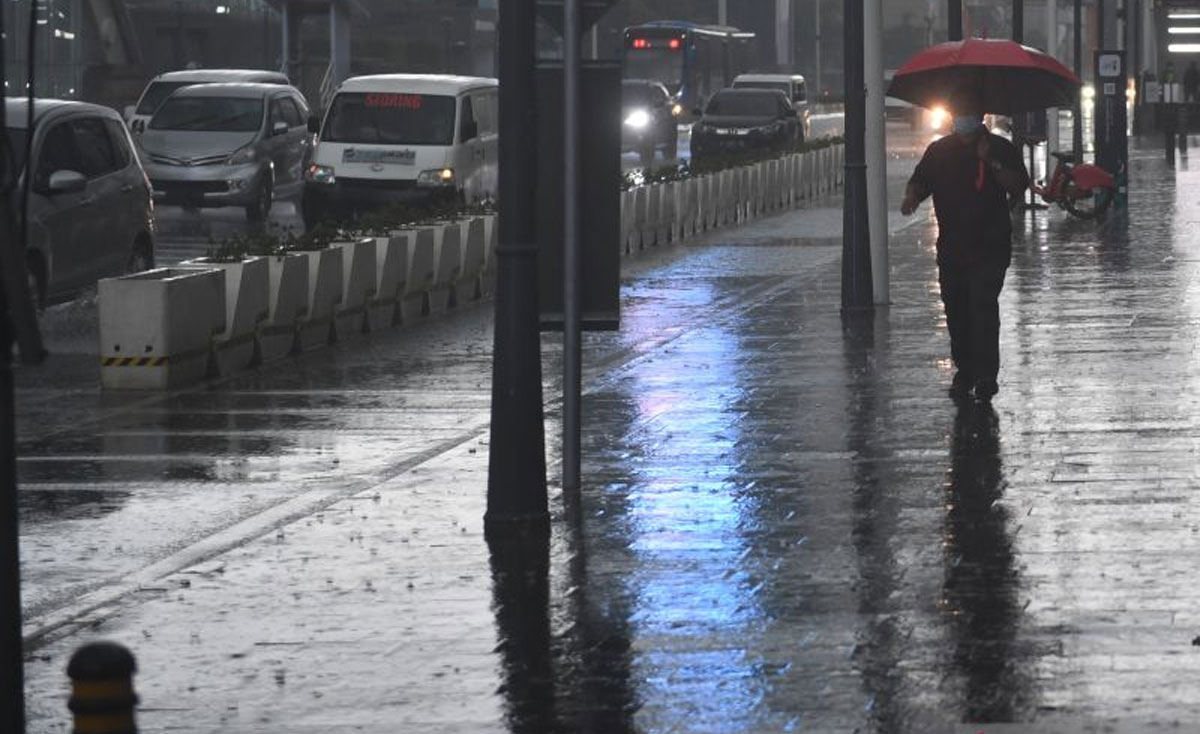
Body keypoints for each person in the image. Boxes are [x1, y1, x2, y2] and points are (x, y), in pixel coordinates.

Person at [900, 113, 1029, 401]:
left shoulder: (998, 147)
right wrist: (911, 198)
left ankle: (985, 375)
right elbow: (920, 181)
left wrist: (990, 162)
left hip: (990, 246)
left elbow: (1018, 185)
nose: (963, 119)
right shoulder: (939, 150)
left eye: (968, 112)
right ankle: (965, 370)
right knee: (957, 311)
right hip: (952, 249)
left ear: (980, 116)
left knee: (982, 307)